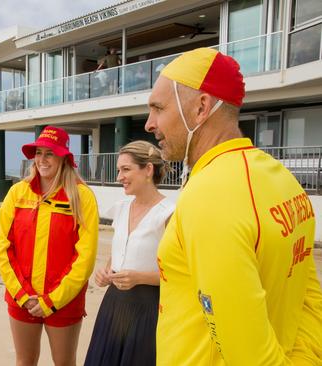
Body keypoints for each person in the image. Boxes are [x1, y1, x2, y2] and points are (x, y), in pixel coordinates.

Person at [145, 47, 322, 364]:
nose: (149, 123)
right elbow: (308, 297)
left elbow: (249, 358)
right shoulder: (281, 176)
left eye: (158, 108)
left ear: (201, 107)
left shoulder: (210, 195)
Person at [0, 125, 99, 366]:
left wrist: (52, 300)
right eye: (38, 153)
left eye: (49, 153)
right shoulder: (16, 193)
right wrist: (22, 295)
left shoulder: (82, 197)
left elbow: (85, 257)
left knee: (64, 363)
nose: (42, 159)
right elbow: (3, 249)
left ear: (63, 156)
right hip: (22, 298)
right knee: (25, 362)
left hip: (64, 301)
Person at [84, 140, 174, 366]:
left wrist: (140, 278)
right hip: (113, 305)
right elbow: (118, 255)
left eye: (126, 169)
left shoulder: (170, 214)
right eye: (118, 170)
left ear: (148, 170)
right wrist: (105, 273)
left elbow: (180, 274)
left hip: (149, 309)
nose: (119, 177)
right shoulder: (121, 208)